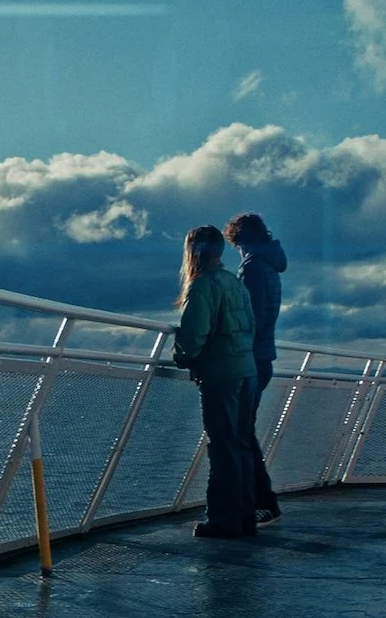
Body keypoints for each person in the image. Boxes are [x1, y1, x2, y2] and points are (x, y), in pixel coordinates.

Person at [170, 225, 260, 538]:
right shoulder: (233, 283)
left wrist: (181, 357)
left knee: (223, 448)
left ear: (192, 252)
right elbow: (250, 325)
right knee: (241, 444)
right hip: (246, 371)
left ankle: (224, 521)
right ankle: (245, 517)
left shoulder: (202, 286)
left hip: (222, 375)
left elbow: (194, 335)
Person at [226, 211, 286, 526]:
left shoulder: (252, 269)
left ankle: (264, 502)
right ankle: (259, 500)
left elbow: (249, 319)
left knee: (241, 431)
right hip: (262, 358)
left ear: (241, 240)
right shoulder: (269, 267)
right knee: (243, 429)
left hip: (250, 359)